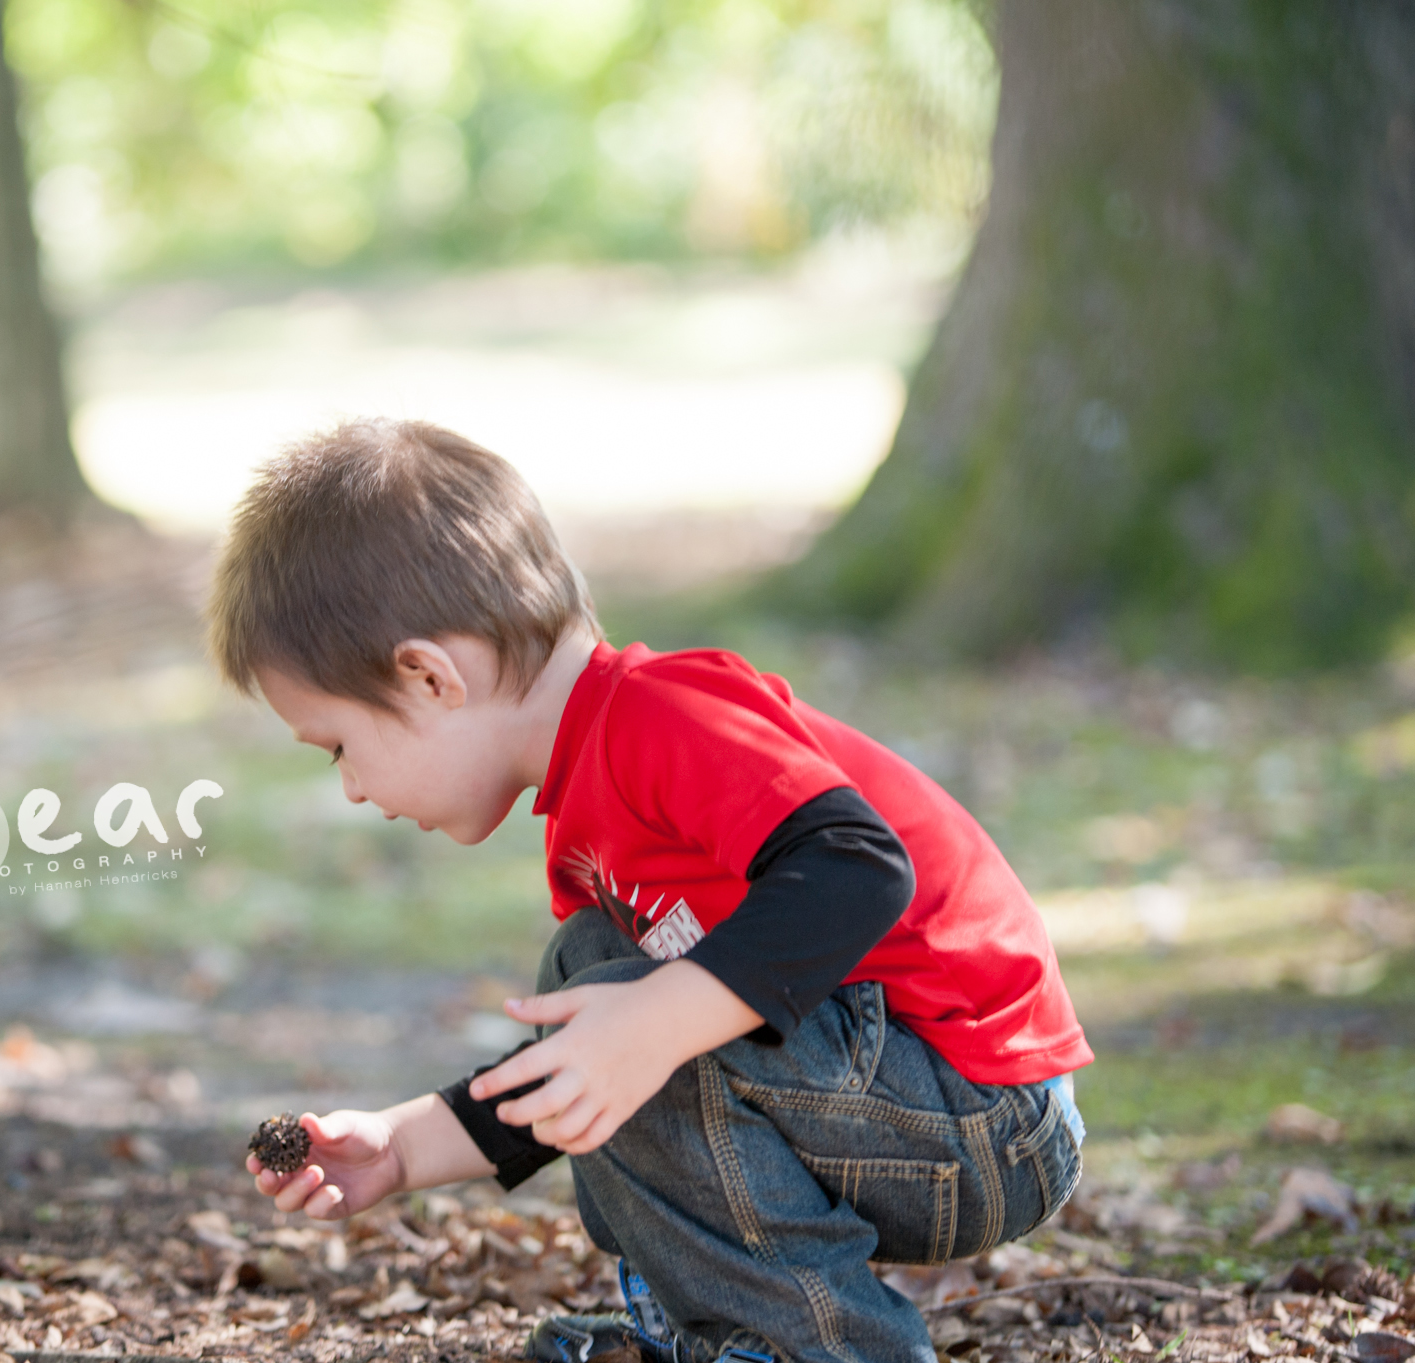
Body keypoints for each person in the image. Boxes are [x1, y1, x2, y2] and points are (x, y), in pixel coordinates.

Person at [204, 417, 1091, 1363]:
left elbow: (858, 864)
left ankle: (826, 1346)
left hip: (984, 1113)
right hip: (890, 1105)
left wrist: (658, 1018)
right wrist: (402, 1145)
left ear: (428, 676)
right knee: (590, 971)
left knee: (631, 1003)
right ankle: (713, 1329)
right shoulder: (585, 826)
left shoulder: (660, 715)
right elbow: (587, 1065)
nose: (350, 785)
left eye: (340, 746)